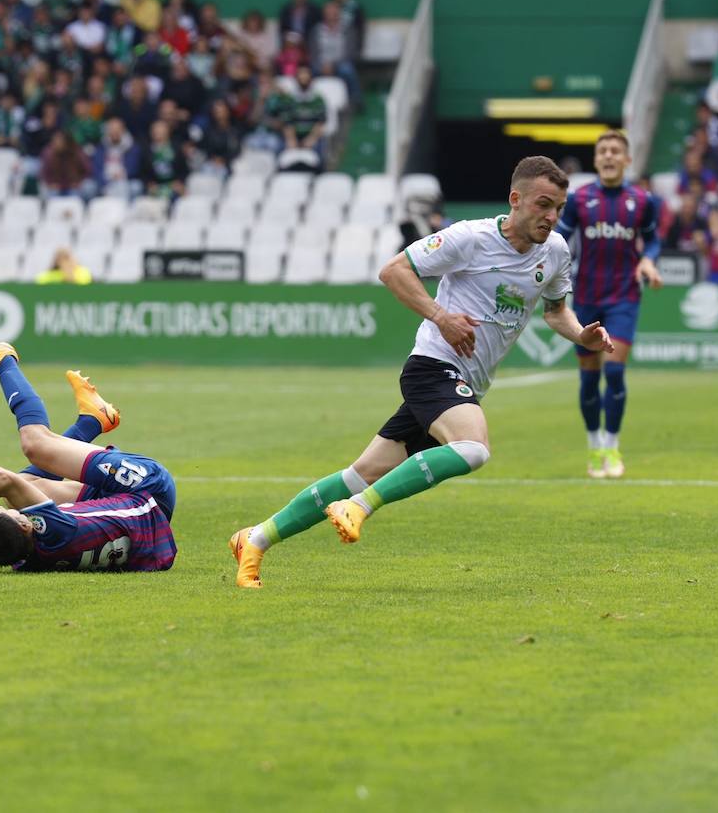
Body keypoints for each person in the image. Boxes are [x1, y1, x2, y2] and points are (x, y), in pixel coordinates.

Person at [229, 156, 613, 588]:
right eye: (544, 204)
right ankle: (359, 507)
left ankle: (254, 539)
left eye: (559, 207)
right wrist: (441, 315)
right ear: (515, 199)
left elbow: (557, 310)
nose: (552, 216)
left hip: (467, 382)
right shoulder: (470, 238)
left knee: (358, 475)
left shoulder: (556, 251)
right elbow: (394, 271)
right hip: (432, 367)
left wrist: (581, 336)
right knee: (473, 448)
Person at [0, 343, 177, 573]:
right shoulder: (57, 531)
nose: (10, 511)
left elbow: (15, 509)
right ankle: (3, 361)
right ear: (26, 524)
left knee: (26, 486)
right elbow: (1, 478)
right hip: (149, 491)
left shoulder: (30, 559)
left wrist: (1, 514)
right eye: (15, 516)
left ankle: (93, 421)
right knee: (35, 446)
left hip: (137, 519)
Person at [554, 130, 662, 479]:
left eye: (616, 151)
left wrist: (648, 261)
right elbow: (559, 240)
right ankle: (594, 445)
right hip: (585, 298)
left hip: (624, 298)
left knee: (614, 371)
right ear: (596, 159)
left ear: (627, 159)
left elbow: (653, 241)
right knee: (588, 380)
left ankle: (613, 448)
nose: (609, 156)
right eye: (603, 151)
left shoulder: (643, 201)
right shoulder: (579, 199)